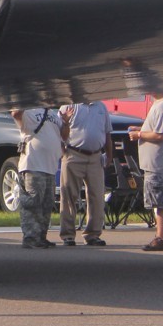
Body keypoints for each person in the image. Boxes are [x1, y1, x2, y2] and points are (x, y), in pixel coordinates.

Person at [11, 103, 67, 248]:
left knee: (47, 204)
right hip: (33, 165)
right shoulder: (28, 111)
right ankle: (31, 238)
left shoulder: (53, 114)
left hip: (49, 167)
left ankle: (41, 236)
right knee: (32, 202)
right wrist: (23, 99)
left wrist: (66, 121)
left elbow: (64, 135)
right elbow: (16, 114)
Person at [58, 96, 113, 246]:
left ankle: (93, 234)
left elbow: (107, 133)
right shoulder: (69, 105)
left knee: (97, 196)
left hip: (95, 156)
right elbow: (60, 133)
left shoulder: (101, 107)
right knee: (69, 196)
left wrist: (109, 155)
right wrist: (65, 123)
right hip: (74, 154)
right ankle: (68, 234)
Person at [128, 90, 163, 251]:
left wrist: (139, 134)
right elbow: (157, 129)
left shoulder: (162, 106)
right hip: (162, 162)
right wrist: (142, 128)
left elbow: (160, 135)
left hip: (157, 163)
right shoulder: (162, 105)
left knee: (160, 202)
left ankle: (161, 238)